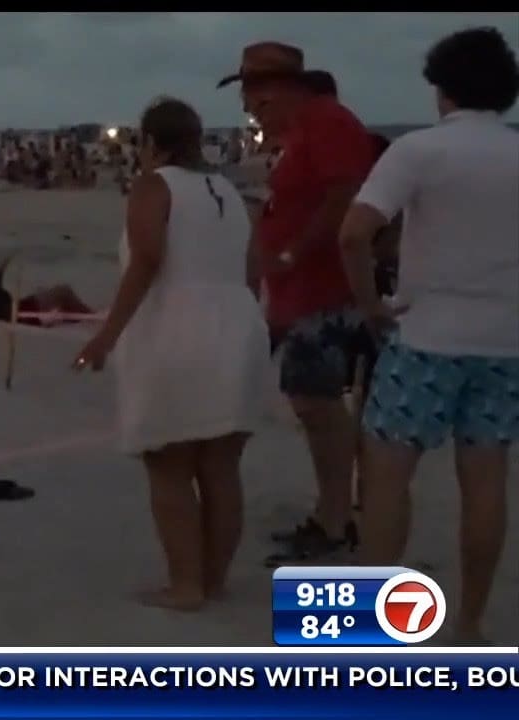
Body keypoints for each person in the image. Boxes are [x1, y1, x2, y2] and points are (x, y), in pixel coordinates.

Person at [339, 27, 519, 643]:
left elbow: (354, 232)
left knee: (388, 476)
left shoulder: (419, 150)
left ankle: (372, 625)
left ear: (443, 89)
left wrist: (370, 304)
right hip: (504, 341)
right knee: (486, 483)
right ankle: (469, 622)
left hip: (427, 336)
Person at [72, 98, 270, 611]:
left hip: (175, 325)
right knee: (221, 466)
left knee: (169, 463)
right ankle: (213, 578)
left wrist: (106, 335)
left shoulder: (154, 185)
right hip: (238, 322)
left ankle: (186, 583)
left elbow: (147, 260)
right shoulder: (229, 190)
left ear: (151, 143)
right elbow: (253, 267)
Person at [219, 42, 377, 563]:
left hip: (322, 290)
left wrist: (294, 250)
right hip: (299, 292)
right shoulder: (302, 131)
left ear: (279, 91)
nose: (252, 112)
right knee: (312, 407)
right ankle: (333, 514)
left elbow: (344, 196)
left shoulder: (327, 123)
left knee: (319, 407)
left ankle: (337, 520)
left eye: (255, 101)